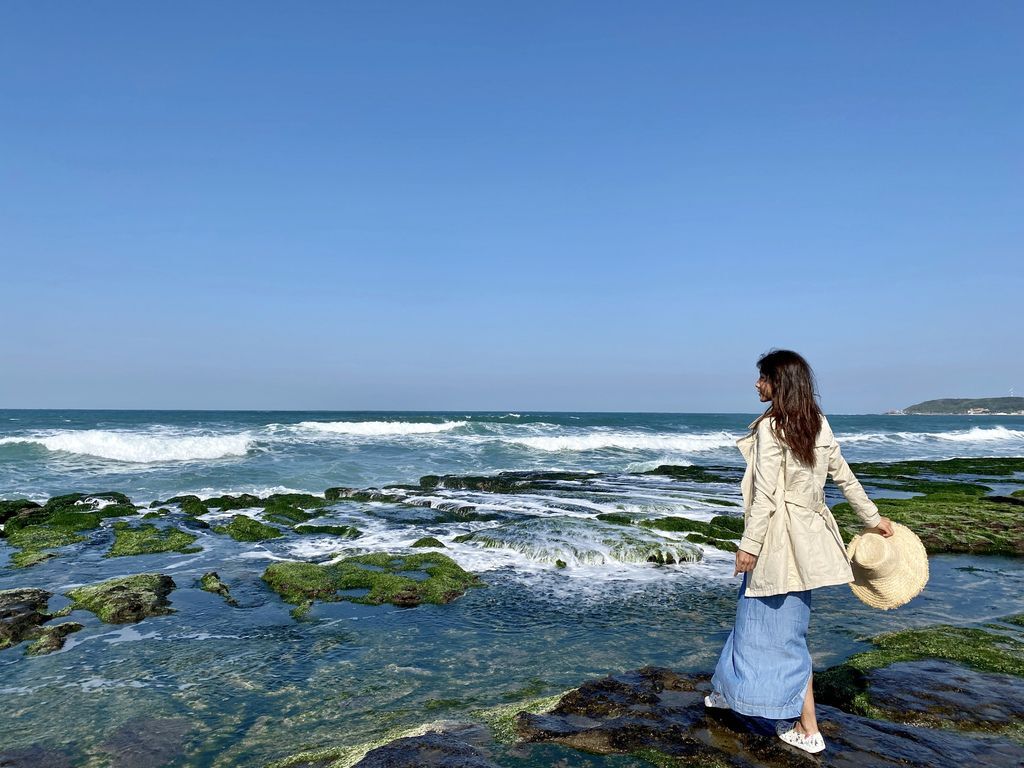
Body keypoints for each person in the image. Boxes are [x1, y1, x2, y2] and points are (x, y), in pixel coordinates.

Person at [704, 349, 894, 754]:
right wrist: (872, 518)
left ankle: (809, 728)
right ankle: (726, 691)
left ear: (780, 383)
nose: (757, 384)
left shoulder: (772, 428)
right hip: (809, 542)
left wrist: (748, 547)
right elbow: (845, 477)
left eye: (764, 378)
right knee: (751, 616)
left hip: (777, 541)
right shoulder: (816, 422)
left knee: (785, 635)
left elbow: (766, 497)